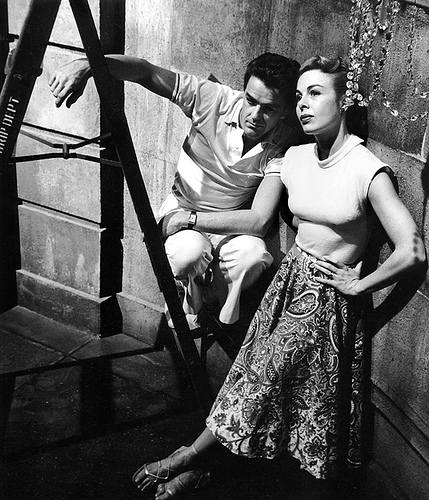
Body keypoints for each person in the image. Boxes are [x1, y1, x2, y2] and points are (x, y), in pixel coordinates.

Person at [130, 55, 427, 499]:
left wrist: (361, 287)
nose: (304, 104)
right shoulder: (295, 156)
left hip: (325, 301)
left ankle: (189, 457)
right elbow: (265, 214)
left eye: (315, 94)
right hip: (286, 285)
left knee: (265, 387)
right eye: (300, 96)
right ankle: (208, 468)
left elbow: (413, 251)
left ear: (344, 102)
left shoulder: (367, 168)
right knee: (258, 385)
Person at [48, 52, 305, 331]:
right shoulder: (213, 99)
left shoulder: (285, 141)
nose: (255, 116)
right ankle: (190, 292)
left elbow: (259, 220)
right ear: (243, 92)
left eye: (268, 109)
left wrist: (188, 219)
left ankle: (210, 299)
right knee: (188, 253)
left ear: (285, 111)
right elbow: (146, 72)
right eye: (251, 101)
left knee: (253, 255)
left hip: (226, 225)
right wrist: (87, 64)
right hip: (184, 211)